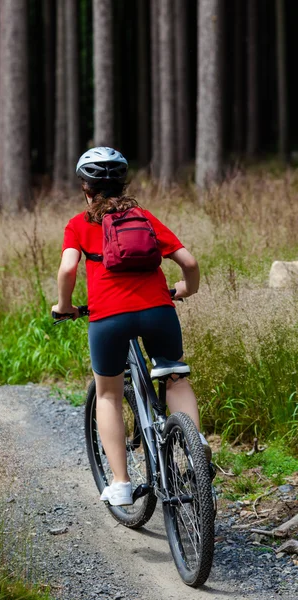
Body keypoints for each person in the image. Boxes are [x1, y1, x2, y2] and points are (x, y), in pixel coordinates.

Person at [52, 146, 211, 507]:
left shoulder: (78, 225)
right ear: (123, 184)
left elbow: (67, 269)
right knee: (175, 377)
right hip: (159, 310)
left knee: (107, 393)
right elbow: (189, 261)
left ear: (85, 188)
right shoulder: (143, 216)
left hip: (107, 318)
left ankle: (122, 484)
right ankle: (194, 441)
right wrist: (187, 288)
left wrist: (64, 307)